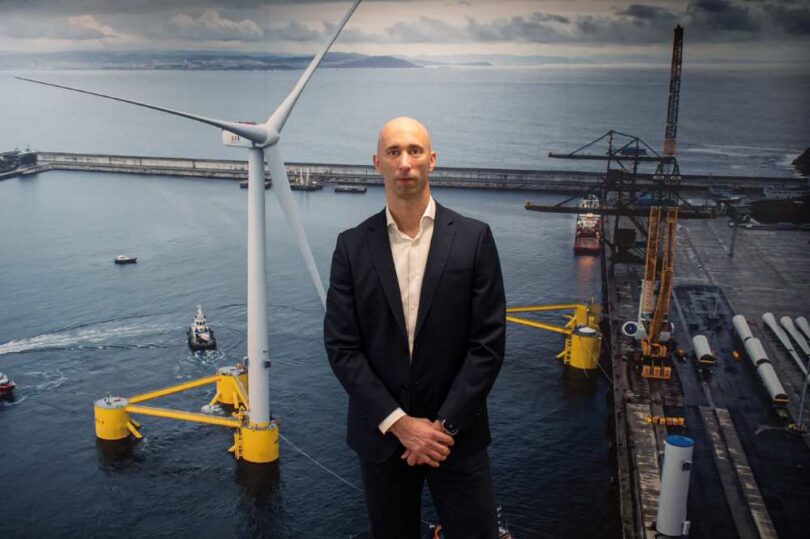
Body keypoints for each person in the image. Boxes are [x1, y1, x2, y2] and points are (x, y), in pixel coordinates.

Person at [324, 116, 506, 538]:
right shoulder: (351, 246)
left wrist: (442, 428)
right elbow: (342, 348)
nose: (405, 162)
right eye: (394, 152)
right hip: (383, 440)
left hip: (456, 441)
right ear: (377, 163)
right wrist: (400, 424)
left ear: (432, 160)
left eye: (414, 151)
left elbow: (488, 344)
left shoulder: (475, 238)